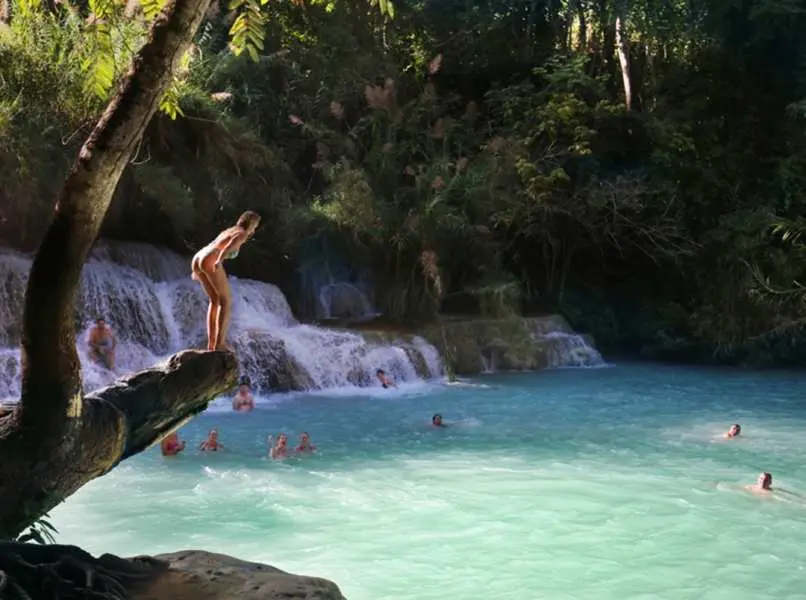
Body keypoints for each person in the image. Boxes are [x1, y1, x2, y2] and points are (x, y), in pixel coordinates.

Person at [191, 211, 261, 350]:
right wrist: (219, 260)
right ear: (251, 224)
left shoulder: (230, 230)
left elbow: (215, 244)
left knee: (215, 301)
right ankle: (220, 343)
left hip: (198, 258)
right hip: (211, 258)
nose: (254, 230)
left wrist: (197, 269)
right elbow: (229, 246)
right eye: (255, 226)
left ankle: (212, 344)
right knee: (226, 301)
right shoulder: (242, 234)